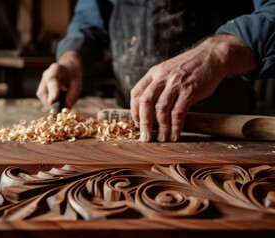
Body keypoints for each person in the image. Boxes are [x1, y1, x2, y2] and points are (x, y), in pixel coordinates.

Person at [37, 0, 275, 142]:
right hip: (130, 125)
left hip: (220, 123)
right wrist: (71, 58)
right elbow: (90, 16)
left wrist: (218, 52)